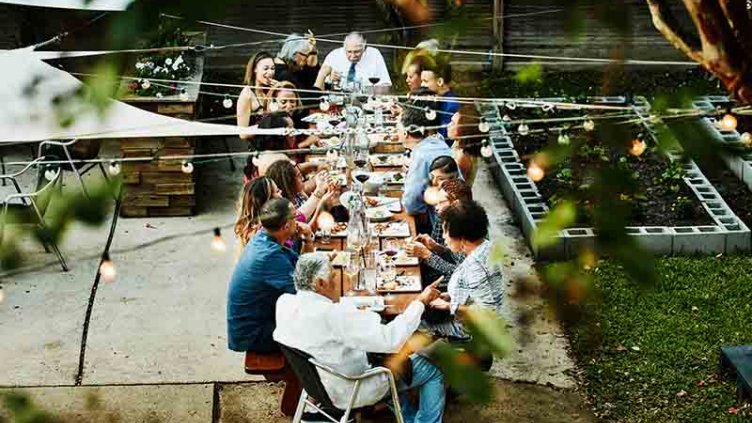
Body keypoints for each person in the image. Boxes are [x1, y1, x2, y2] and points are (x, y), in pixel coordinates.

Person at [274, 253, 446, 422]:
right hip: (353, 388)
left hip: (316, 384)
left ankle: (406, 415)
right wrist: (420, 302)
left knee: (392, 359)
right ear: (320, 283)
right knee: (434, 367)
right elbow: (392, 340)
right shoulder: (333, 316)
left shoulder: (284, 303)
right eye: (334, 277)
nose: (338, 281)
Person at [227, 198, 315, 354]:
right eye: (295, 216)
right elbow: (304, 294)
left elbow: (301, 269)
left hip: (264, 318)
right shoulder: (269, 256)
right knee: (318, 329)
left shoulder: (263, 237)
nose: (299, 219)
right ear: (287, 225)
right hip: (254, 333)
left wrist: (307, 239)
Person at [429, 200, 504, 323]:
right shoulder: (486, 246)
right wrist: (451, 296)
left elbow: (489, 313)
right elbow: (480, 290)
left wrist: (449, 306)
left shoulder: (475, 266)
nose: (443, 237)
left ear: (462, 237)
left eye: (445, 232)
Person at [400, 89, 452, 232]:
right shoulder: (438, 142)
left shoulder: (422, 154)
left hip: (443, 227)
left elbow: (411, 205)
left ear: (405, 132)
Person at [408, 178, 473, 284]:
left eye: (441, 202)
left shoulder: (470, 230)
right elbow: (454, 255)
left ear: (456, 203)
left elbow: (462, 274)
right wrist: (435, 247)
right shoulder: (444, 216)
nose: (436, 208)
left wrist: (427, 256)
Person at [315, 32, 391, 92]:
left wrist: (359, 90)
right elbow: (319, 88)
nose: (352, 56)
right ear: (344, 47)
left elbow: (387, 88)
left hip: (367, 101)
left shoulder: (374, 54)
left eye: (357, 52)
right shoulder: (334, 55)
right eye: (349, 52)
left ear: (364, 48)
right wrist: (330, 80)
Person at [265, 159, 336, 224]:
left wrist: (326, 198)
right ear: (289, 183)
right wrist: (319, 192)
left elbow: (315, 212)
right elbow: (301, 221)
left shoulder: (299, 195)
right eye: (298, 176)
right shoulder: (283, 209)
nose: (302, 178)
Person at [267, 81, 319, 150]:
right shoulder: (270, 123)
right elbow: (283, 153)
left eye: (292, 102)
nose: (289, 106)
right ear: (273, 102)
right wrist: (306, 143)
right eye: (283, 102)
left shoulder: (295, 118)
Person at [237, 51, 276, 140]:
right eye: (266, 69)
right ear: (255, 69)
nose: (270, 72)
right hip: (259, 149)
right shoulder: (247, 95)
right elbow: (242, 134)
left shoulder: (270, 90)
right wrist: (267, 124)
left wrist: (279, 90)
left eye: (272, 68)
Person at [234, 176, 283, 247]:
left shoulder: (252, 228)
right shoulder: (264, 232)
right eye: (277, 191)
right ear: (268, 201)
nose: (281, 192)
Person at [420, 56, 459, 141]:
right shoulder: (440, 100)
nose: (422, 85)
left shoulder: (450, 107)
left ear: (440, 82)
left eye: (425, 81)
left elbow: (442, 140)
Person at [448, 104, 484, 187]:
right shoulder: (459, 144)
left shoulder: (462, 157)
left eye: (453, 123)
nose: (448, 126)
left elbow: (453, 187)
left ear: (463, 130)